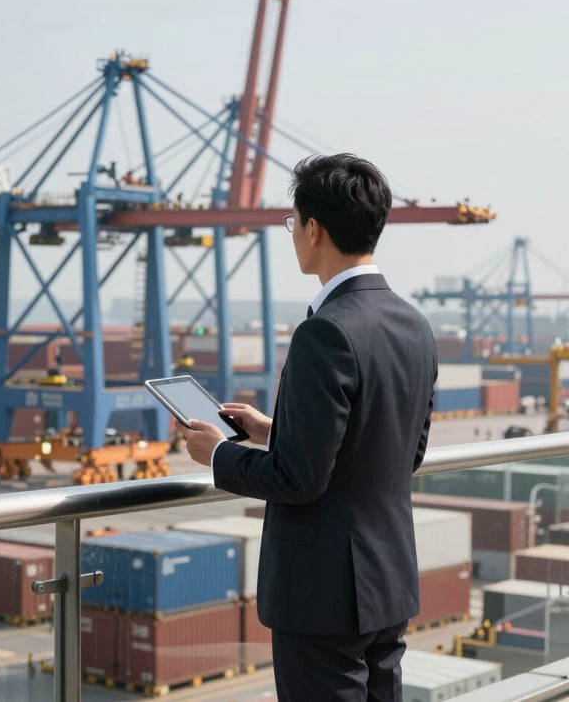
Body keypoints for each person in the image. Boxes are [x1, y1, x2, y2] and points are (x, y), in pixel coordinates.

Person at [180, 153, 438, 701]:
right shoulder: (414, 324)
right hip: (387, 582)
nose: (293, 233)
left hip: (323, 598)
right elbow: (404, 449)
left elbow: (298, 480)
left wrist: (217, 454)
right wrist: (276, 430)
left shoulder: (326, 331)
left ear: (313, 228)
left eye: (292, 222)